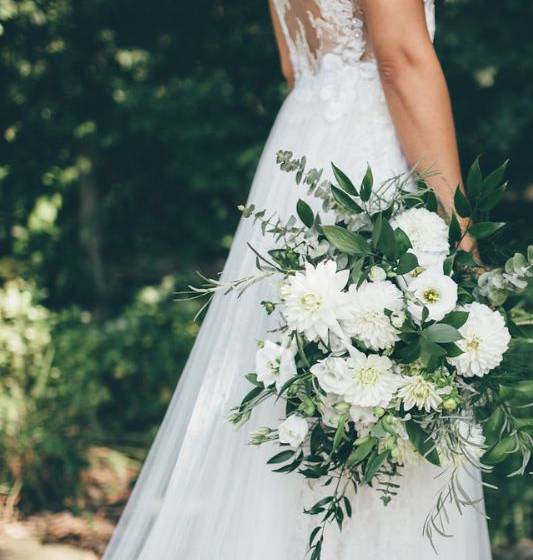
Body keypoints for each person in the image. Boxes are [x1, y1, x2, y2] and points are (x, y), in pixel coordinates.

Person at [104, 1, 490, 558]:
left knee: (303, 403)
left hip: (301, 159)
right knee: (375, 399)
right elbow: (402, 59)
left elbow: (295, 64)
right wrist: (460, 231)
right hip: (366, 176)